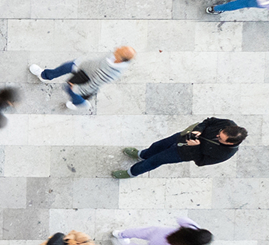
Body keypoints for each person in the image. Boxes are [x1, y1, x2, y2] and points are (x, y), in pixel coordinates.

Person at [114, 117, 246, 178]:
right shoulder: (227, 123)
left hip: (182, 153)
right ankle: (141, 154)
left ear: (230, 143)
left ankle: (131, 173)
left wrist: (195, 147)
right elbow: (209, 121)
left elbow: (201, 162)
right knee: (157, 146)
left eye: (220, 138)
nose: (217, 135)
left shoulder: (225, 154)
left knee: (155, 161)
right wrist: (199, 130)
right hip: (182, 136)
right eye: (220, 132)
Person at [29, 47, 134, 109]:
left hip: (84, 78)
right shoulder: (114, 55)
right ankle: (44, 75)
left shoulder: (112, 72)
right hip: (80, 66)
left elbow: (95, 83)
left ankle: (78, 101)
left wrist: (77, 89)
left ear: (120, 59)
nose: (117, 48)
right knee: (64, 67)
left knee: (68, 89)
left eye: (119, 50)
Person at [111, 217, 211, 245]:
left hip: (159, 232)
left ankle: (120, 234)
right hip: (157, 244)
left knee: (139, 232)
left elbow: (181, 219)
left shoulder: (193, 227)